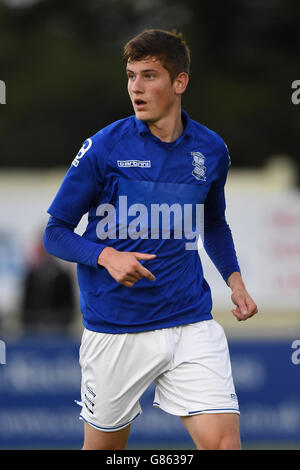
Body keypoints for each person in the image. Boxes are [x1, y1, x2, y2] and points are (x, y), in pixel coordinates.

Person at [43, 29, 258, 450]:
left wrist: (234, 281)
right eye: (130, 76)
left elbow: (213, 223)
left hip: (189, 320)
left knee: (224, 445)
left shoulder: (211, 151)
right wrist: (106, 256)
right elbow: (55, 233)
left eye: (149, 76)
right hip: (115, 328)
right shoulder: (104, 148)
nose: (136, 88)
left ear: (180, 83)